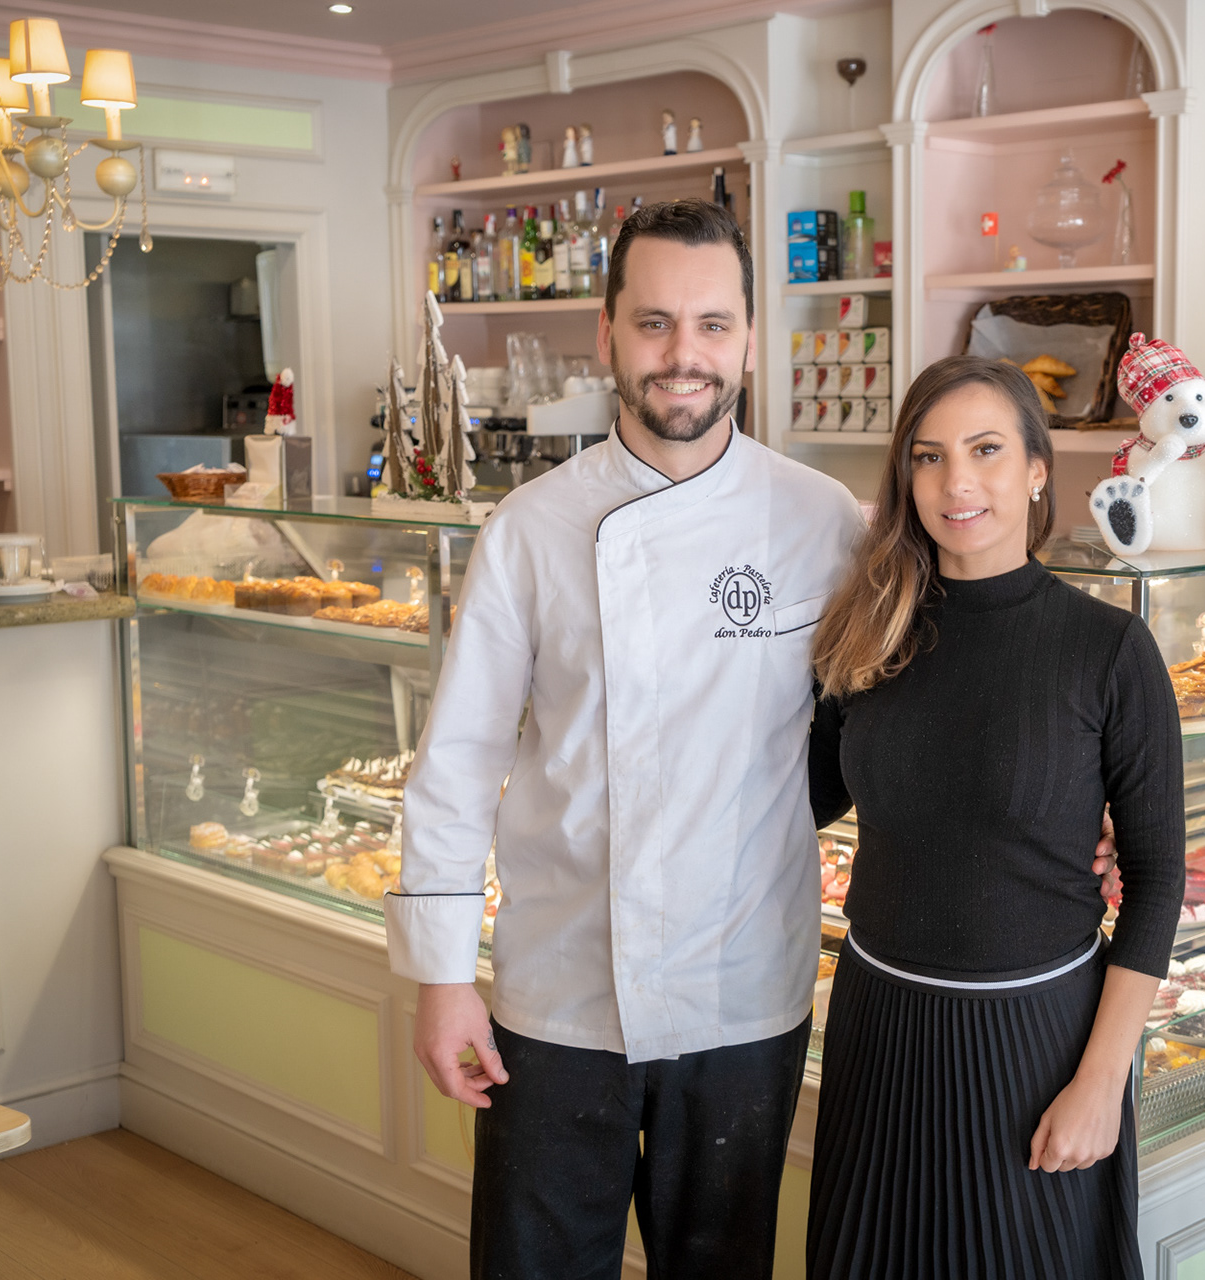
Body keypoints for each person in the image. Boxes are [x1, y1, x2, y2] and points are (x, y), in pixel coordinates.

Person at [385, 199, 866, 1280]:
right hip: (559, 990)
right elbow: (457, 761)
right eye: (654, 323)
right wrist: (442, 978)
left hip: (744, 987)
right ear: (607, 333)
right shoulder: (529, 529)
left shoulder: (823, 520)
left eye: (711, 324)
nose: (683, 354)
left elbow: (902, 716)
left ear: (749, 338)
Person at [805, 355, 1184, 1279]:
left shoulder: (1107, 647)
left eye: (985, 451)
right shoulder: (867, 629)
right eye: (928, 457)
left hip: (1036, 1044)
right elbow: (805, 798)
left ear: (1037, 470)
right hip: (878, 1030)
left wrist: (1102, 1083)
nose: (956, 483)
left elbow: (1157, 880)